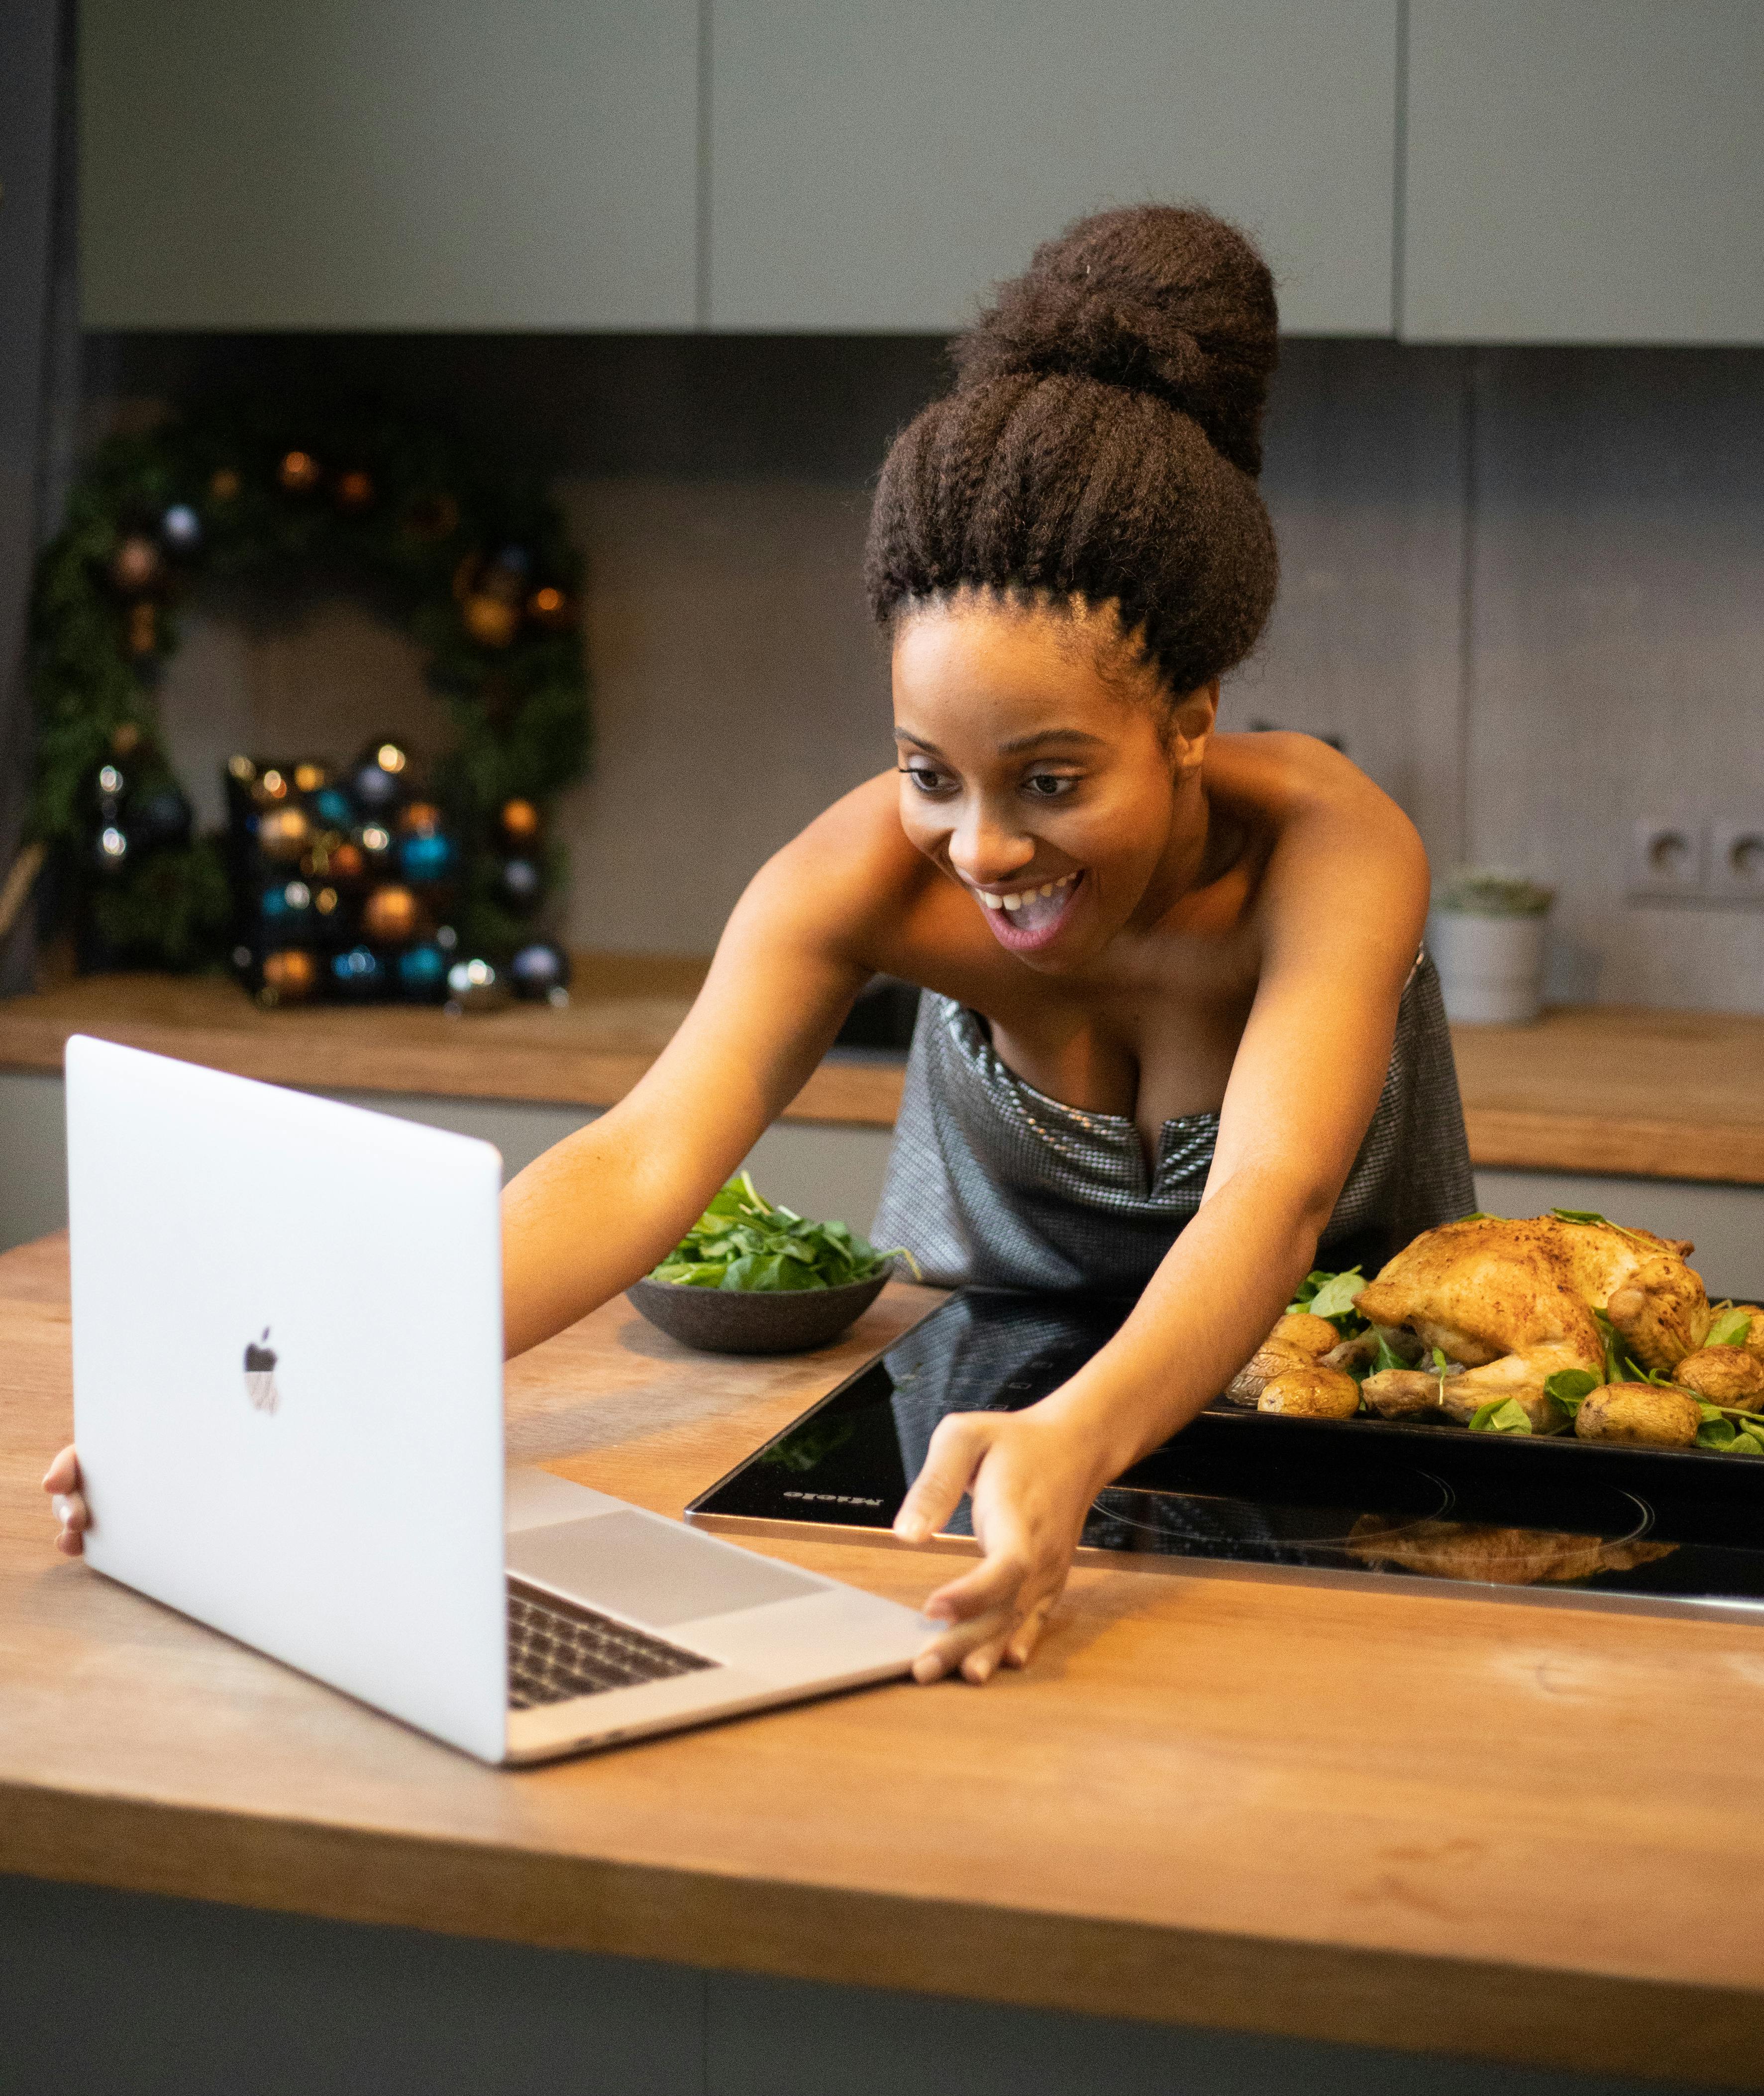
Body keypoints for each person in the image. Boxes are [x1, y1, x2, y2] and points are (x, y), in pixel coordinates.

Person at [46, 204, 1473, 1686]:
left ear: (1190, 720)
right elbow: (643, 1153)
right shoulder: (859, 874)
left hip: (1389, 1453)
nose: (980, 849)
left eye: (1050, 781)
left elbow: (1269, 1199)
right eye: (931, 771)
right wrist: (316, 1386)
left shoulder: (1327, 847)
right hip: (963, 1469)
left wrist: (1078, 1434)